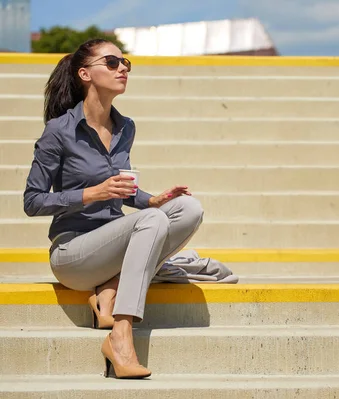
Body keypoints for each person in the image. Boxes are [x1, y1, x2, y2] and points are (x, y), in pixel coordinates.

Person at [22, 38, 204, 379]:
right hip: (72, 253)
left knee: (189, 209)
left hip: (112, 243)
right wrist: (90, 194)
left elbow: (121, 189)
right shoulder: (58, 131)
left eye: (125, 64)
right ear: (85, 74)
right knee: (150, 222)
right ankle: (121, 334)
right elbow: (31, 201)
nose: (122, 68)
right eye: (111, 62)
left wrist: (151, 200)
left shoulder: (125, 127)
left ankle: (113, 285)